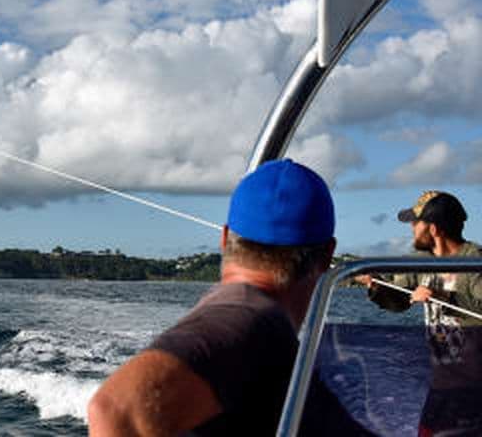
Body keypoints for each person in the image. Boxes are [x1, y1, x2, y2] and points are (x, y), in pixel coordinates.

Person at [88, 159, 363, 436]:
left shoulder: (249, 317)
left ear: (225, 237)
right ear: (328, 254)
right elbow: (116, 408)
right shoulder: (248, 321)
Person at [356, 191, 482, 436]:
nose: (412, 228)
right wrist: (375, 284)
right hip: (443, 383)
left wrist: (445, 297)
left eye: (416, 222)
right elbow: (400, 301)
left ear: (434, 229)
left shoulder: (474, 262)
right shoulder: (421, 261)